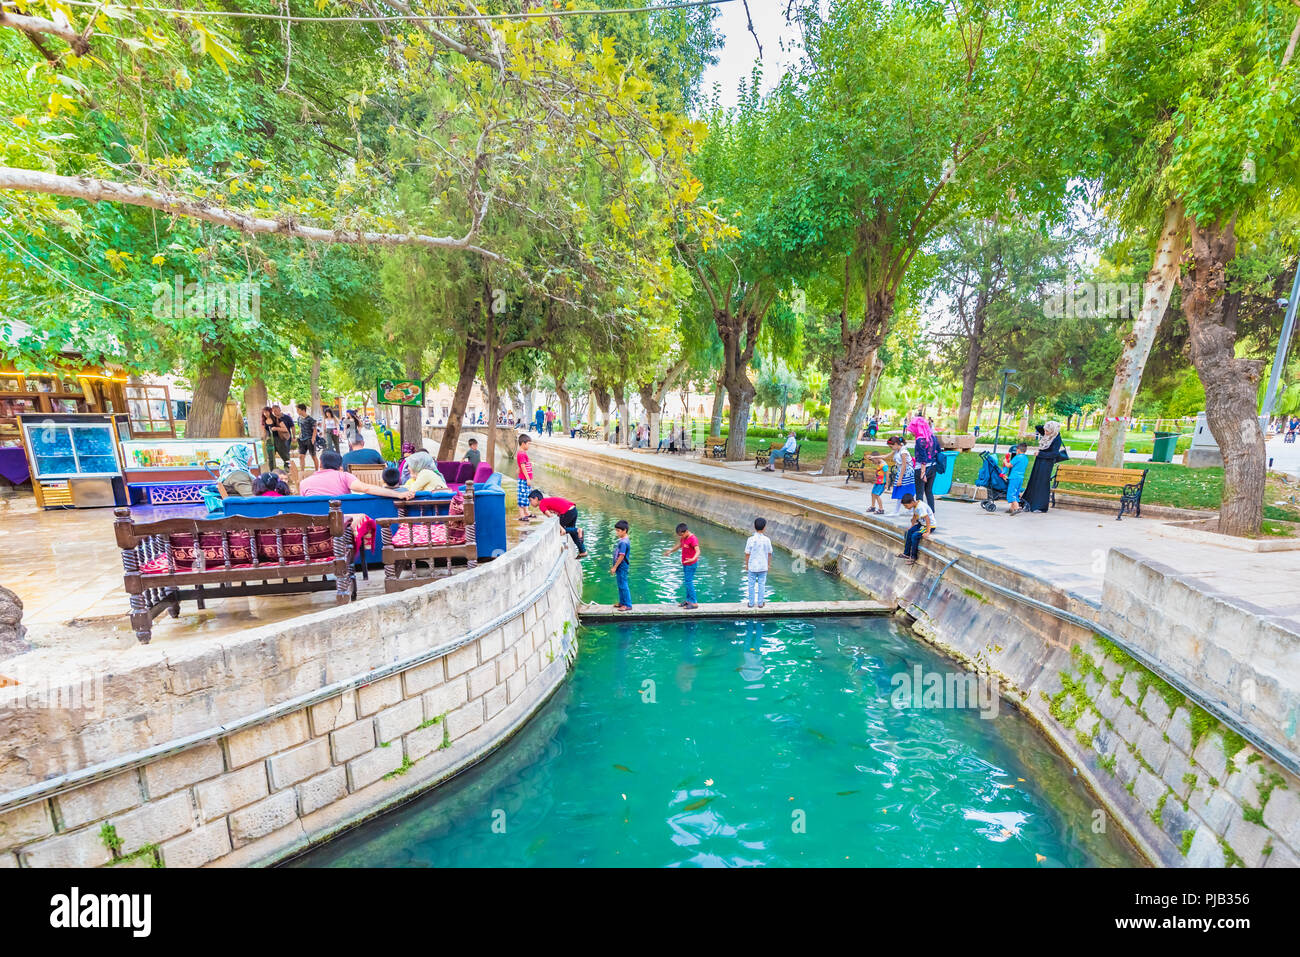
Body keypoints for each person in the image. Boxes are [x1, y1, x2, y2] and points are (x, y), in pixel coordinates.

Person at [298, 450, 415, 499]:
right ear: (340, 467)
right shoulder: (343, 476)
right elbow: (367, 488)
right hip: (340, 524)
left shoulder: (304, 483)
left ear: (320, 465)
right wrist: (398, 495)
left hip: (313, 527)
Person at [1023, 421, 1068, 513]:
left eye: (1047, 431)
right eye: (1045, 431)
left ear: (1053, 431)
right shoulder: (1048, 434)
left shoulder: (1056, 438)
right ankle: (1028, 502)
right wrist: (1045, 426)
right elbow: (1038, 427)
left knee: (1041, 483)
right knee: (1034, 480)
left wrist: (1040, 453)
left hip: (1047, 463)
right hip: (1039, 461)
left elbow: (1054, 454)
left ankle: (1039, 505)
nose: (1045, 433)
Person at [529, 489, 587, 556]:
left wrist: (561, 528)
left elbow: (551, 517)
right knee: (572, 532)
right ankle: (583, 551)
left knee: (558, 530)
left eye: (530, 500)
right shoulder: (547, 500)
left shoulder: (541, 505)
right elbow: (558, 507)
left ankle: (578, 530)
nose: (530, 503)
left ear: (536, 499)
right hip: (573, 510)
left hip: (567, 512)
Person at [871, 436, 915, 515]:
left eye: (891, 446)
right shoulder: (897, 450)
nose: (891, 448)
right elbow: (885, 456)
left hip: (906, 474)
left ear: (895, 444)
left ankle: (900, 511)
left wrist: (900, 479)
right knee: (901, 491)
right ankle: (905, 510)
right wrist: (874, 457)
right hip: (901, 472)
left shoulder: (903, 451)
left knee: (904, 491)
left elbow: (904, 465)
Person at [663, 522, 699, 609]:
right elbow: (680, 545)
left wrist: (693, 558)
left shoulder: (693, 539)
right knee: (687, 582)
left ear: (686, 531)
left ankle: (694, 603)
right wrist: (670, 551)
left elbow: (698, 551)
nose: (680, 537)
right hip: (685, 563)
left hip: (691, 564)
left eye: (681, 535)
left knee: (689, 582)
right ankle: (688, 601)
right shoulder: (684, 538)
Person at [909, 416, 941, 512]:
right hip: (933, 467)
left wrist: (923, 473)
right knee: (929, 491)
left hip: (921, 469)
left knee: (919, 493)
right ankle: (931, 514)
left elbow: (923, 457)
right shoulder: (933, 437)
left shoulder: (920, 439)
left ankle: (920, 515)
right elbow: (938, 450)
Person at [744, 517, 772, 608]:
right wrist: (768, 564)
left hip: (752, 566)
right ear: (764, 528)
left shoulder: (750, 539)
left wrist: (747, 565)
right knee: (762, 585)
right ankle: (760, 603)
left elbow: (747, 554)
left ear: (754, 527)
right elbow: (769, 553)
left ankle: (751, 603)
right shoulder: (767, 540)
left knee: (751, 585)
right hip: (763, 566)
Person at [899, 492, 934, 566]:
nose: (906, 507)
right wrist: (912, 526)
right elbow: (915, 516)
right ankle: (906, 553)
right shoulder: (915, 505)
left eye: (906, 506)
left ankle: (913, 557)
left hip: (929, 525)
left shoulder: (920, 507)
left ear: (911, 502)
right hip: (921, 524)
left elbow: (927, 519)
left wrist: (928, 531)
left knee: (915, 535)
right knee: (909, 532)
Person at [611, 519, 632, 611]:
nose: (617, 533)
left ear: (624, 531)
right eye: (616, 530)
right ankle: (622, 602)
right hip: (620, 566)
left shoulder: (624, 542)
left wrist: (615, 567)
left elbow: (622, 555)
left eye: (618, 531)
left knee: (623, 584)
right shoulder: (623, 540)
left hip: (622, 566)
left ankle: (627, 604)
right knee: (620, 584)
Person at [516, 433, 536, 522]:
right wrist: (527, 478)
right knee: (522, 496)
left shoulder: (522, 453)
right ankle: (521, 514)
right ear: (523, 444)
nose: (529, 446)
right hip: (524, 480)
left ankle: (526, 512)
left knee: (527, 496)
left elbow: (521, 466)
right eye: (528, 444)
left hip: (525, 479)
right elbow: (523, 466)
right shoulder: (521, 454)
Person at [1005, 443, 1029, 515]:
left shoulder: (1017, 457)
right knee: (1016, 493)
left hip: (1014, 477)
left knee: (1011, 493)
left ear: (1018, 450)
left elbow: (1009, 465)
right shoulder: (1025, 458)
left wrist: (1005, 461)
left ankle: (1017, 508)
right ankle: (1012, 509)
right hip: (1020, 478)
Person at [296, 403, 319, 472]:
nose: (297, 411)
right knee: (301, 456)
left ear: (303, 410)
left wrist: (313, 439)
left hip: (309, 439)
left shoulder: (310, 419)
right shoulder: (299, 419)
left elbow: (315, 429)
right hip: (301, 440)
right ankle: (302, 471)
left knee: (313, 456)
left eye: (298, 410)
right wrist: (299, 436)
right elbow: (300, 428)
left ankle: (317, 471)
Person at [270, 404, 294, 470]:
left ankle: (288, 469)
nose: (275, 412)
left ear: (279, 410)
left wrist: (294, 436)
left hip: (284, 438)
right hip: (275, 439)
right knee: (272, 455)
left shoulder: (286, 417)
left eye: (276, 410)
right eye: (273, 411)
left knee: (285, 454)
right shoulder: (273, 419)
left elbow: (292, 427)